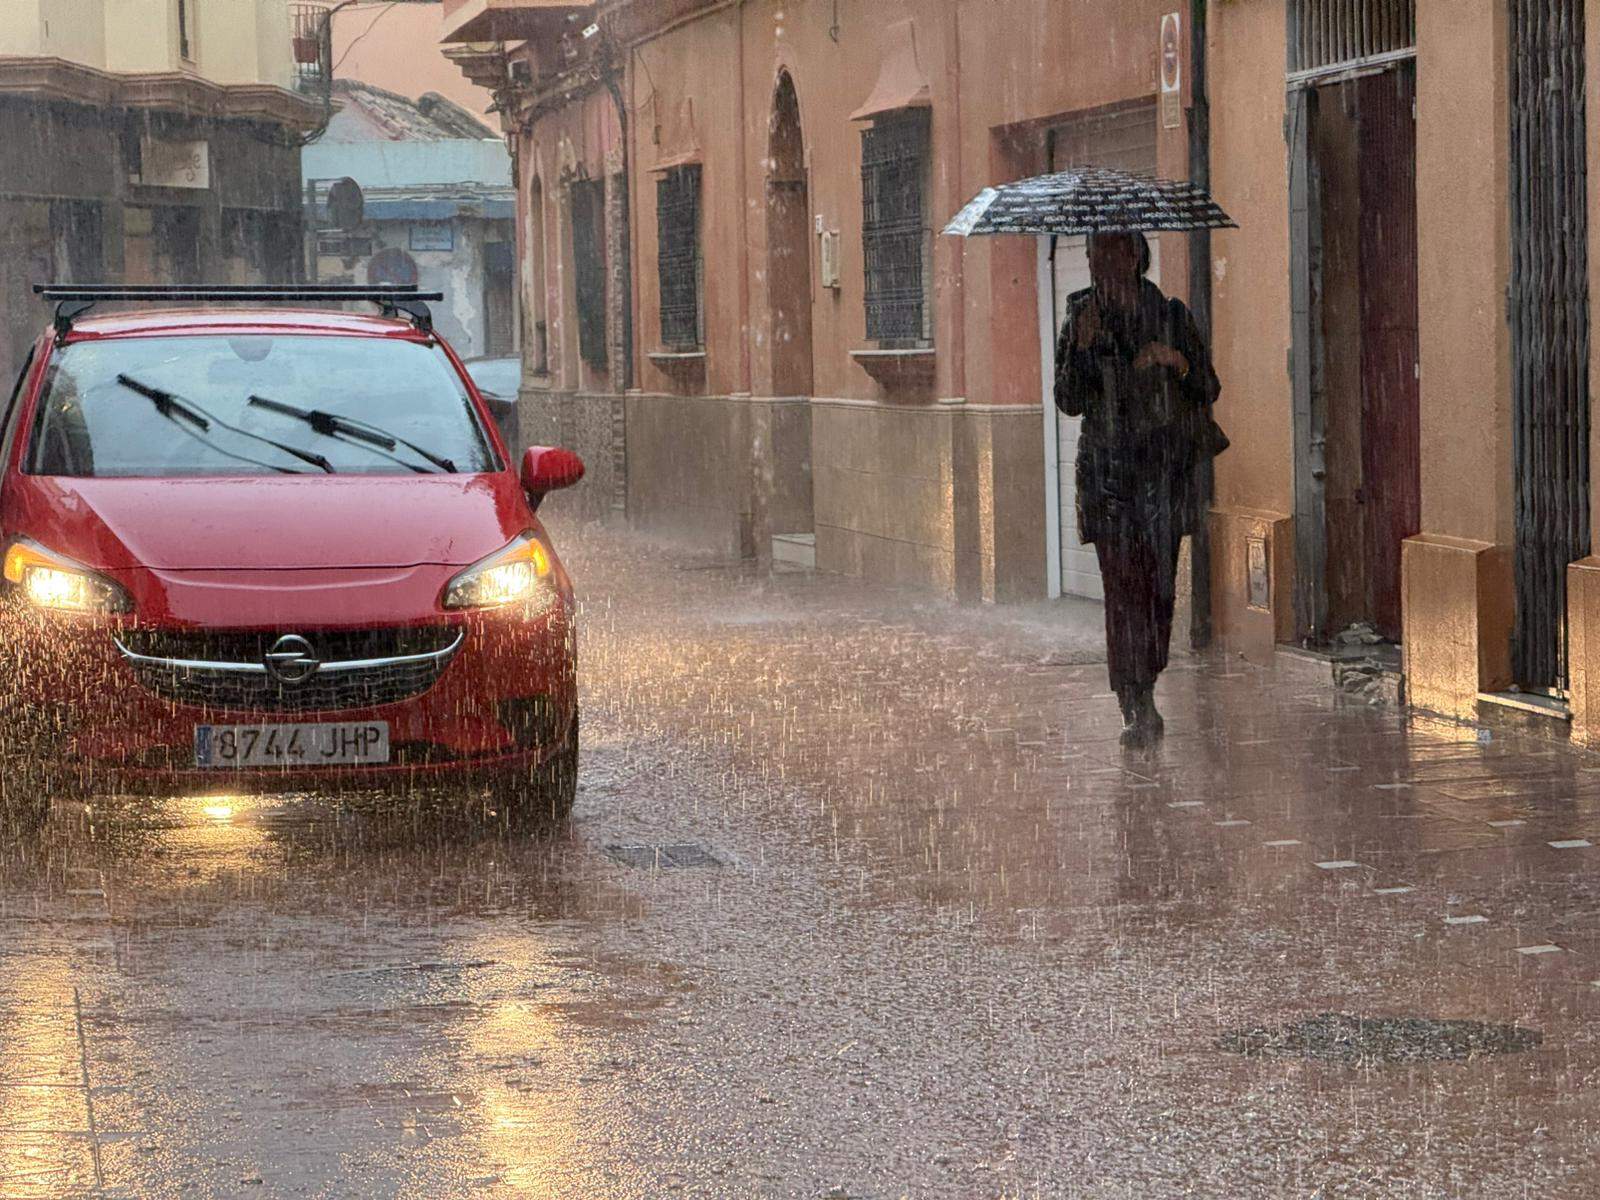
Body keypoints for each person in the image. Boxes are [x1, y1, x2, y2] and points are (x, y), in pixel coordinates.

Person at [1054, 231, 1226, 747]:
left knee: (1157, 592)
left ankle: (1147, 674)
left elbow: (1209, 386)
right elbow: (1068, 400)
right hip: (1107, 478)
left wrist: (1176, 361)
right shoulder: (1080, 318)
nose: (1097, 265)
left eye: (1107, 253)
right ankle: (1134, 701)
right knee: (1122, 592)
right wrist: (1080, 350)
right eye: (1091, 256)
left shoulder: (1170, 314)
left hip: (1162, 475)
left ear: (1134, 256)